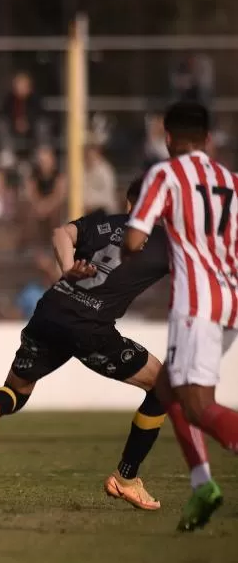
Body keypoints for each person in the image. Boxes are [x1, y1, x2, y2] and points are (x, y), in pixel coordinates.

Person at [0, 178, 174, 512]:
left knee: (17, 389)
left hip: (52, 309)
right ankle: (126, 477)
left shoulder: (107, 223)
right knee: (162, 387)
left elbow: (61, 233)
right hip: (90, 327)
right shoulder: (167, 241)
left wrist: (68, 267)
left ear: (128, 203)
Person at [124, 101, 238, 532]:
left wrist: (125, 248)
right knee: (169, 389)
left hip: (196, 306)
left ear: (167, 137)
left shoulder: (165, 174)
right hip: (231, 300)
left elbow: (134, 239)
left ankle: (204, 485)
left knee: (197, 406)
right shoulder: (232, 181)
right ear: (208, 140)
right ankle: (202, 484)